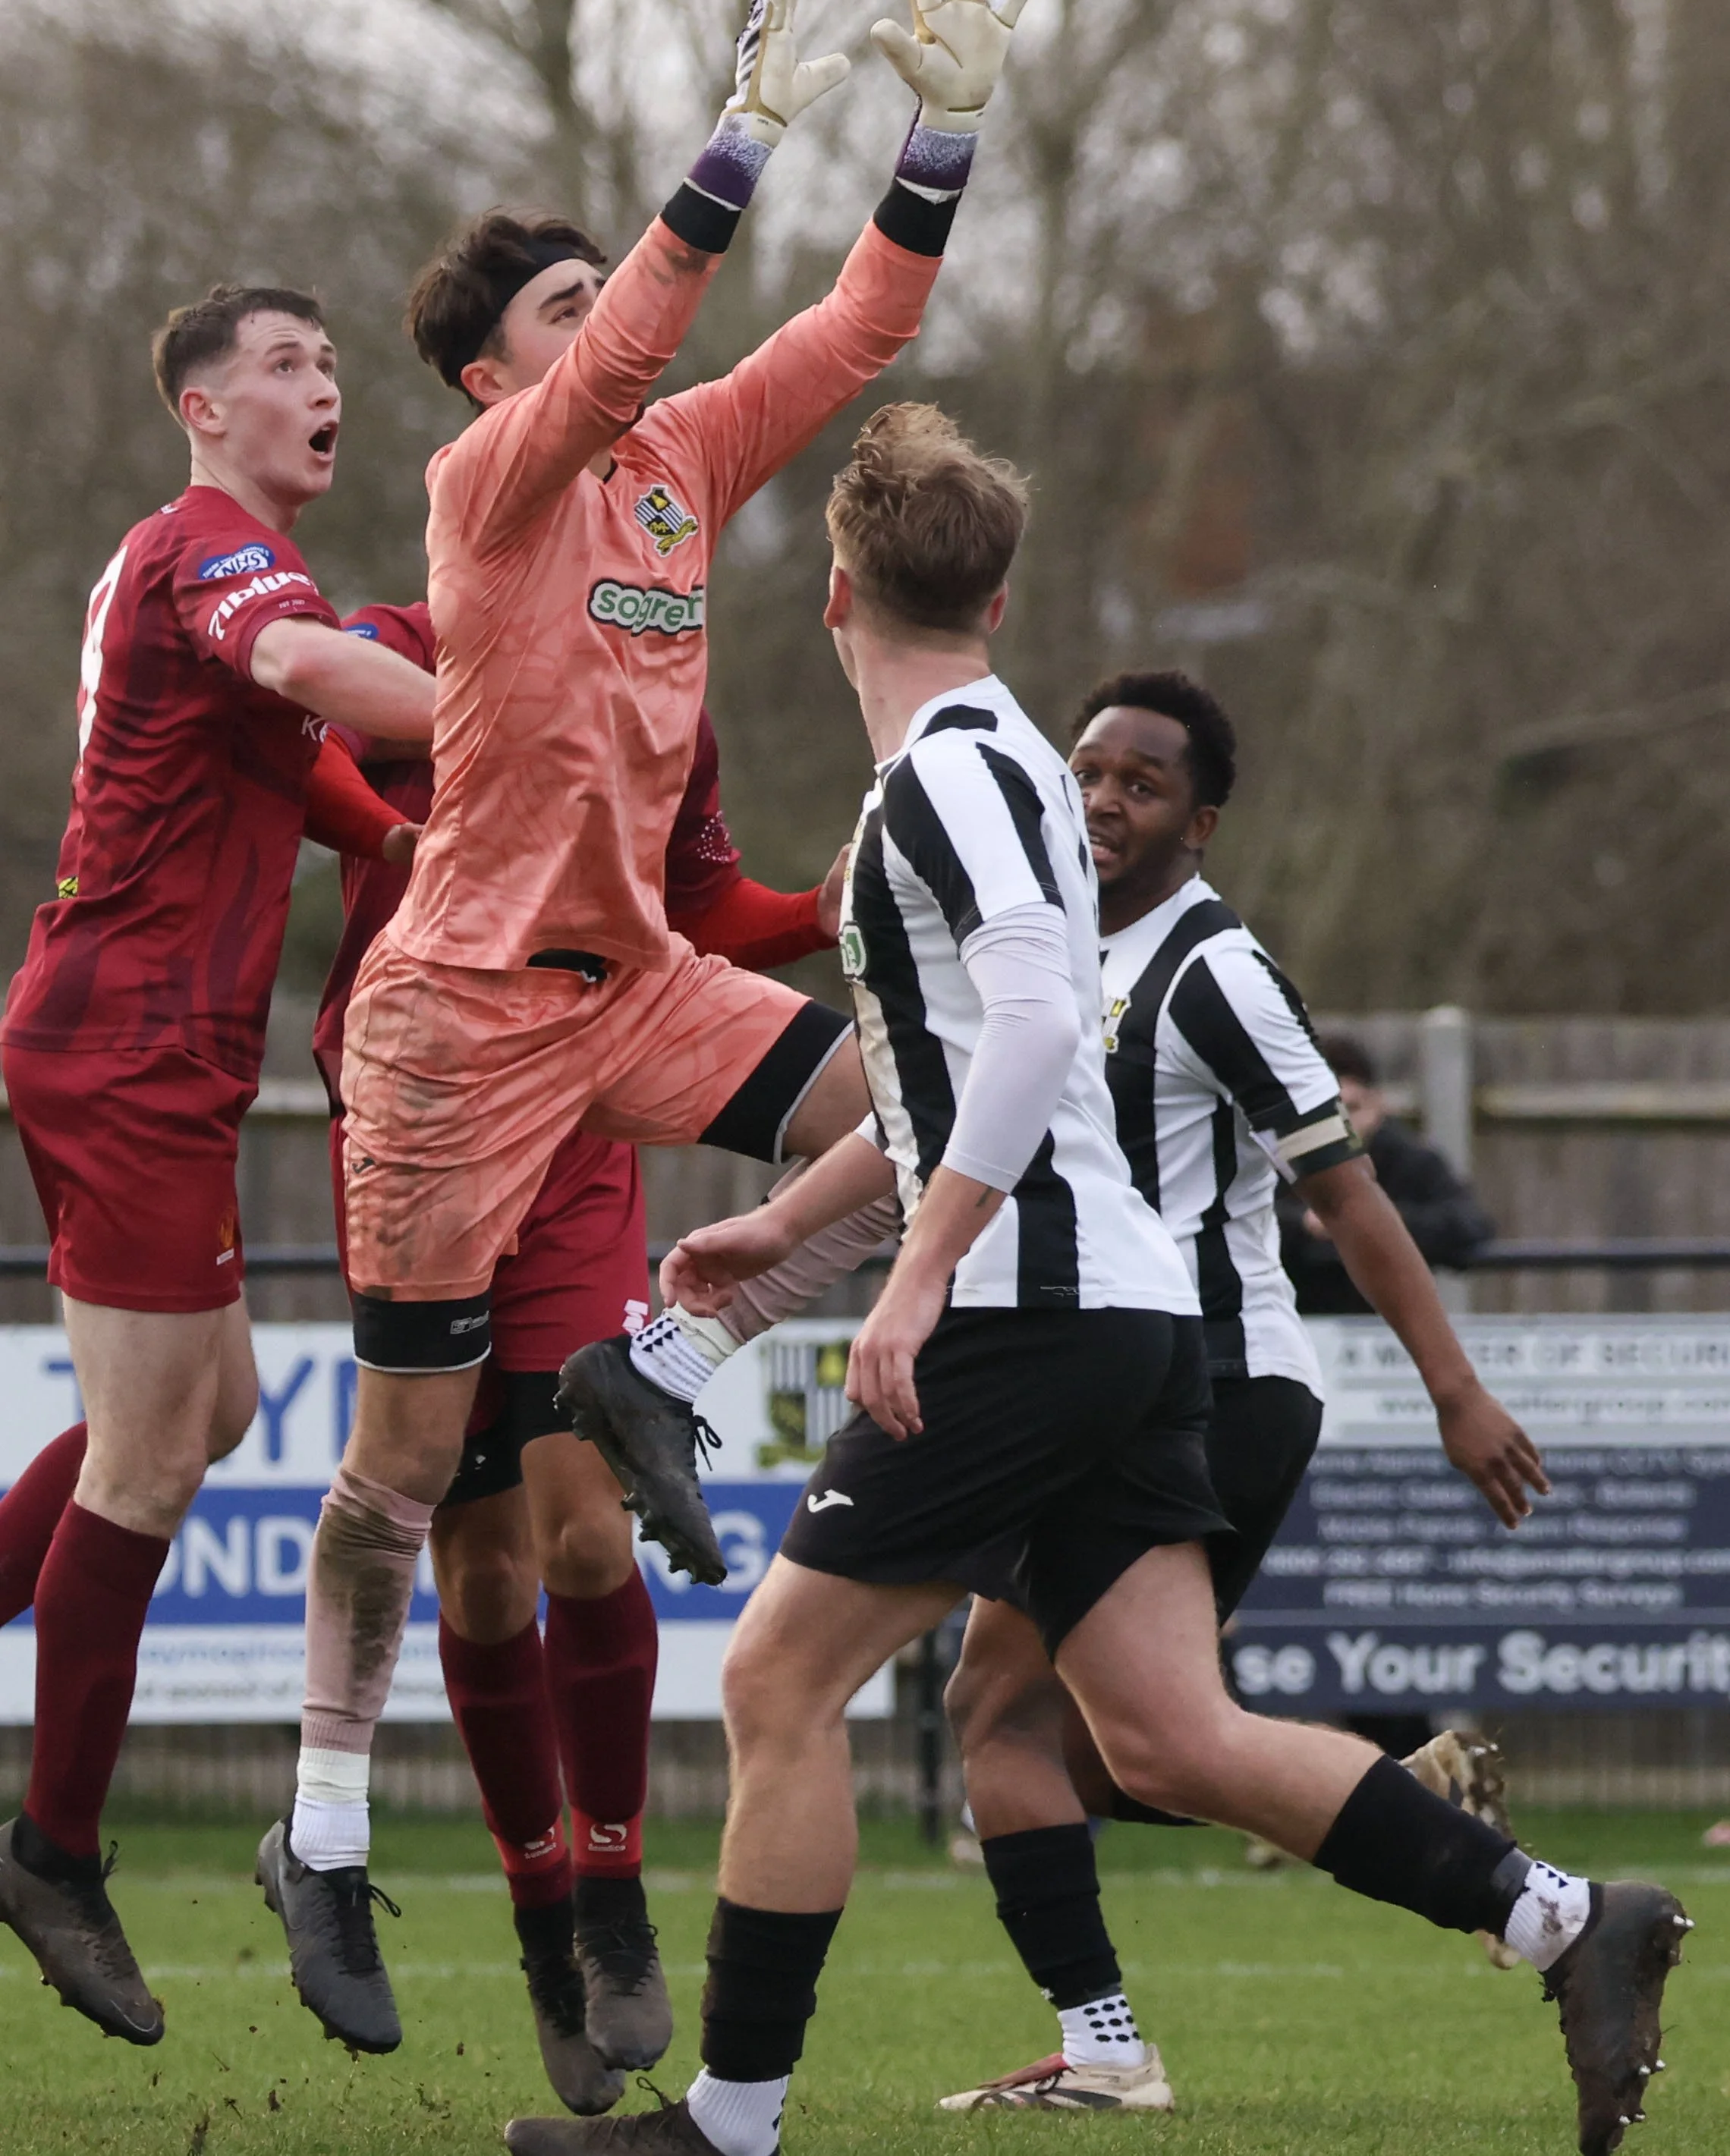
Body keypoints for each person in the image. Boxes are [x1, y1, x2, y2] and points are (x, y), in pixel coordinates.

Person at [507, 405, 1690, 2156]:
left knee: (773, 1686)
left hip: (1028, 1321)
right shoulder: (1002, 767)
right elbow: (999, 1068)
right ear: (993, 597)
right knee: (1160, 1734)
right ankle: (1560, 1917)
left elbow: (1044, 1027)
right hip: (1128, 1322)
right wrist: (783, 1231)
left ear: (833, 594)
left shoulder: (950, 776)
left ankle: (726, 2125)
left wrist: (912, 1278)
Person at [259, 0, 1040, 2057]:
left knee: (942, 1111)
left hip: (636, 985)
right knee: (406, 1481)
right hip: (459, 1018)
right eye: (568, 298)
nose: (611, 315)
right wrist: (730, 134)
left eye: (611, 280)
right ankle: (321, 1828)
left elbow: (861, 322)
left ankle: (658, 1367)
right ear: (498, 368)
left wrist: (937, 128)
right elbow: (633, 350)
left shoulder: (680, 466)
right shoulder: (483, 478)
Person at [934, 667, 1539, 2109]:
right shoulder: (1042, 950)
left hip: (1217, 1383)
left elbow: (1352, 1195)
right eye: (1086, 770)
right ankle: (1395, 1791)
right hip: (1104, 1385)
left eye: (1139, 783)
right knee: (1113, 1748)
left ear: (1198, 822)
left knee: (1030, 1721)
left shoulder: (1217, 970)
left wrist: (1455, 1390)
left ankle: (1110, 2046)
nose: (1100, 799)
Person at [313, 589, 843, 2106]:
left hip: (579, 1143)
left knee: (590, 1535)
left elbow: (701, 908)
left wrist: (819, 908)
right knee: (474, 1570)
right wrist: (411, 839)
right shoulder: (399, 639)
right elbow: (308, 774)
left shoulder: (662, 667)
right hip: (419, 1126)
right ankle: (544, 1921)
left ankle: (612, 1893)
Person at [0, 284, 436, 2046]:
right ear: (202, 408)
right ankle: (55, 1846)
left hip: (141, 1043)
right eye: (282, 366)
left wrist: (418, 825)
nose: (320, 388)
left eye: (329, 366)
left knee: (219, 1408)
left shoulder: (199, 565)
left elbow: (310, 768)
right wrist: (510, 711)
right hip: (124, 1046)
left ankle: (49, 1837)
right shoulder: (212, 556)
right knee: (155, 1452)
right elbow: (316, 678)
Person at [1282, 1031, 1495, 1315]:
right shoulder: (1282, 1162)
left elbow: (1470, 1226)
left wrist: (1379, 1220)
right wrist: (1304, 1225)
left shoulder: (1411, 1161)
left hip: (1391, 1340)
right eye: (1327, 1114)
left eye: (1352, 1109)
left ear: (1377, 1105)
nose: (1343, 1126)